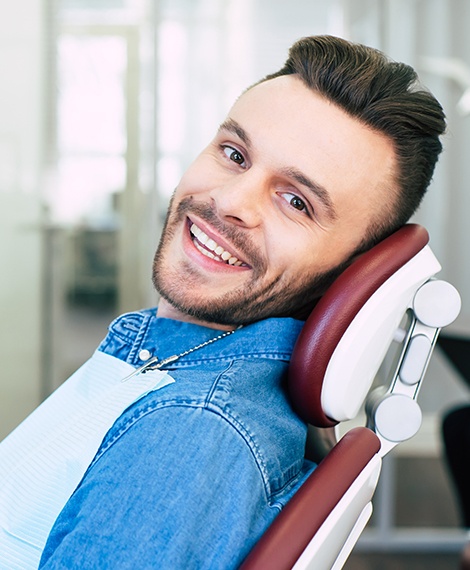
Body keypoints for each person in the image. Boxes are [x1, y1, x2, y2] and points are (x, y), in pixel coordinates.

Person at [8, 35, 446, 569]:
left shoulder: (189, 430)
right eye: (235, 154)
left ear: (350, 270)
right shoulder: (173, 369)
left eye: (296, 202)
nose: (230, 201)